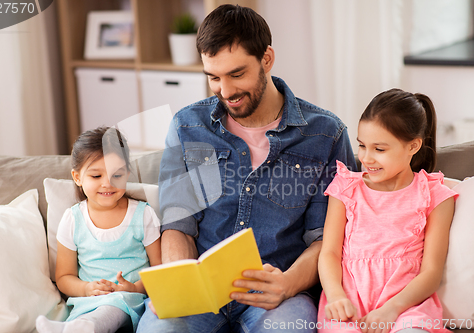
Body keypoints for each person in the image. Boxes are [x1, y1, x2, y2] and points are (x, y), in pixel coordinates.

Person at [138, 4, 356, 333]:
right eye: (214, 77)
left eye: (237, 74)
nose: (225, 91)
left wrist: (286, 285)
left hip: (280, 294)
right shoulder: (188, 126)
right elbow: (178, 225)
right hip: (202, 293)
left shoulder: (325, 135)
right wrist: (180, 286)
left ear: (267, 58)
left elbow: (326, 241)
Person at [317, 88, 457, 333]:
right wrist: (336, 295)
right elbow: (329, 253)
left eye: (379, 149)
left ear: (413, 146)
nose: (366, 158)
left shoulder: (435, 195)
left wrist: (393, 308)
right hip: (349, 301)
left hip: (407, 307)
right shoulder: (346, 188)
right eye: (362, 145)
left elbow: (432, 271)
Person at [36, 127, 161, 333]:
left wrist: (135, 287)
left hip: (132, 301)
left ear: (127, 174)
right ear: (77, 177)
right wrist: (86, 288)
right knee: (98, 312)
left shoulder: (143, 215)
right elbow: (64, 277)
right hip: (88, 303)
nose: (107, 183)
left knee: (114, 305)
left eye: (117, 175)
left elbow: (159, 269)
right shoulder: (72, 219)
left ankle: (82, 329)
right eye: (96, 176)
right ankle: (77, 327)